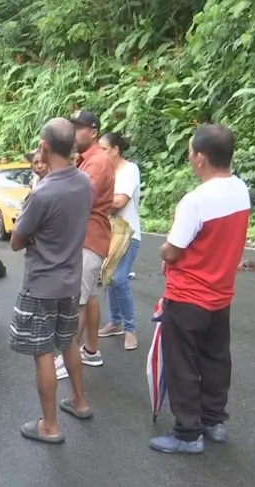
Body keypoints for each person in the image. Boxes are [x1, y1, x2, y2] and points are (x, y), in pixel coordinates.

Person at [150, 124, 250, 454]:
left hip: (188, 296)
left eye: (191, 151)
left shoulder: (196, 200)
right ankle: (213, 421)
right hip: (222, 294)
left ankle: (187, 433)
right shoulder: (240, 190)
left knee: (181, 364)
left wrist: (164, 249)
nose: (190, 157)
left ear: (201, 158)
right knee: (216, 358)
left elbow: (173, 249)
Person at [9, 118, 93, 444]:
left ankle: (50, 425)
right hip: (71, 280)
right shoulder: (85, 182)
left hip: (42, 284)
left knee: (42, 351)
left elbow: (16, 241)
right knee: (68, 339)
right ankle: (80, 401)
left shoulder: (42, 193)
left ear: (44, 147)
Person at [53, 110, 114, 379]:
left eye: (79, 128)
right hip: (85, 237)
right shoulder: (83, 160)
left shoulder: (97, 161)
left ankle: (69, 358)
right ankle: (91, 351)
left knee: (75, 302)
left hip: (89, 238)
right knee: (86, 297)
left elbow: (79, 197)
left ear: (93, 131)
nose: (74, 133)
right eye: (72, 128)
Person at [97, 132, 142, 351]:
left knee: (119, 279)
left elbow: (119, 202)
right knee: (109, 277)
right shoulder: (106, 171)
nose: (101, 153)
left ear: (116, 150)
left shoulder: (129, 169)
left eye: (104, 149)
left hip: (128, 234)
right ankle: (115, 322)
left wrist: (97, 201)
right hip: (109, 233)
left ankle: (130, 329)